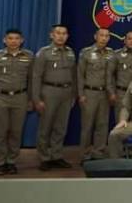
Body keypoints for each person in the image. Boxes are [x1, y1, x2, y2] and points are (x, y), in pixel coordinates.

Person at [0, 29, 33, 176]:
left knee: (16, 132)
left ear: (22, 40)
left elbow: (32, 80)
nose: (13, 41)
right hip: (0, 97)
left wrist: (31, 99)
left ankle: (11, 161)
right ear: (4, 40)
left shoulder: (29, 56)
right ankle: (0, 162)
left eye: (17, 38)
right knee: (0, 132)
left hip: (20, 97)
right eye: (10, 38)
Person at [32, 24, 77, 171]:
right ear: (51, 35)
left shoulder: (70, 52)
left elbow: (74, 75)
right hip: (49, 92)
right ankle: (44, 157)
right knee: (45, 127)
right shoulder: (43, 53)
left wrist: (74, 94)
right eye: (58, 33)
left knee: (60, 127)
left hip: (66, 92)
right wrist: (36, 99)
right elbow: (36, 76)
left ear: (67, 36)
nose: (61, 36)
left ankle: (56, 155)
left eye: (64, 33)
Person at [77, 28, 113, 163]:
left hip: (105, 94)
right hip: (89, 92)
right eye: (101, 35)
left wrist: (111, 92)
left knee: (102, 125)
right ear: (95, 36)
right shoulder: (86, 53)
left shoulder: (111, 53)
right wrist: (81, 94)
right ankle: (85, 154)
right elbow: (80, 74)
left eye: (106, 36)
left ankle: (99, 152)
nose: (104, 38)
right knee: (87, 126)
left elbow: (112, 75)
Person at [108, 31, 132, 120]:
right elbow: (109, 74)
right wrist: (111, 92)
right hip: (121, 93)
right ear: (124, 40)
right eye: (129, 39)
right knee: (121, 121)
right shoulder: (116, 54)